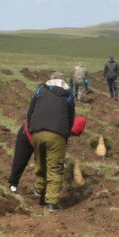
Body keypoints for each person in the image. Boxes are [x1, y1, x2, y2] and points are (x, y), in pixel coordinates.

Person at [26, 73, 75, 212]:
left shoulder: (40, 90)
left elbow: (30, 112)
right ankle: (51, 202)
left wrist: (32, 127)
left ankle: (39, 192)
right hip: (56, 133)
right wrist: (66, 134)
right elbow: (71, 118)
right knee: (55, 167)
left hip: (36, 131)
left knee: (40, 161)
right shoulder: (68, 95)